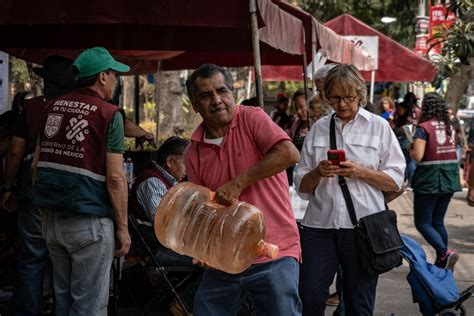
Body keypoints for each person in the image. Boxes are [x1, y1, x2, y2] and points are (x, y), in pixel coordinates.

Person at [184, 64, 302, 316]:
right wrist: (202, 248)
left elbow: (289, 154)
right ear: (194, 104)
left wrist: (238, 183)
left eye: (222, 91)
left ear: (232, 93)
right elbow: (204, 208)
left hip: (274, 251)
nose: (216, 100)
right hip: (224, 259)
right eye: (205, 96)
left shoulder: (251, 117)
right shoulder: (193, 151)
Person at [295, 64, 405, 316]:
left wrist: (361, 172)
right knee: (309, 297)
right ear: (326, 97)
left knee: (359, 302)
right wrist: (317, 173)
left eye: (349, 97)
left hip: (363, 229)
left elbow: (396, 180)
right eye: (335, 97)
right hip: (319, 227)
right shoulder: (319, 129)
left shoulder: (378, 127)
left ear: (360, 94)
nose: (343, 104)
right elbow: (301, 185)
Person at [31, 47, 131, 316]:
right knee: (89, 308)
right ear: (101, 77)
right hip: (89, 223)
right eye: (113, 75)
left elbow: (35, 165)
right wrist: (123, 228)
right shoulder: (109, 114)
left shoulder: (52, 107)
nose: (115, 80)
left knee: (63, 303)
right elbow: (115, 178)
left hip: (51, 222)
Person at [2, 55, 77, 316]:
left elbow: (14, 152)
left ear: (47, 82)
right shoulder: (82, 108)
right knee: (63, 261)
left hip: (34, 193)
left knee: (33, 257)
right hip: (69, 195)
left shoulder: (31, 108)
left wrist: (8, 187)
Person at [410, 92, 461, 271]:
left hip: (429, 180)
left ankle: (443, 252)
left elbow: (417, 155)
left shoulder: (424, 128)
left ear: (426, 107)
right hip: (450, 179)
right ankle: (443, 262)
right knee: (437, 221)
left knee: (423, 222)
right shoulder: (450, 127)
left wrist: (411, 149)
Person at [130, 136, 191, 265]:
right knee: (212, 262)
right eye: (186, 163)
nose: (189, 169)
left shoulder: (169, 182)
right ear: (169, 161)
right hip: (157, 249)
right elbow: (164, 223)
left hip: (168, 245)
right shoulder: (152, 182)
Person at [391, 99, 417, 186]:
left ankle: (409, 182)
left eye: (400, 110)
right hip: (403, 143)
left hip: (405, 143)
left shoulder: (408, 120)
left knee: (408, 163)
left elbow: (404, 131)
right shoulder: (401, 118)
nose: (398, 112)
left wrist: (394, 128)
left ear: (405, 110)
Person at [447, 105, 468, 188]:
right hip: (448, 146)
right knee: (451, 163)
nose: (448, 112)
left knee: (456, 162)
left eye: (449, 110)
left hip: (456, 145)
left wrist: (464, 144)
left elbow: (461, 133)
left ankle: (458, 181)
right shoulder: (444, 121)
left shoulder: (455, 120)